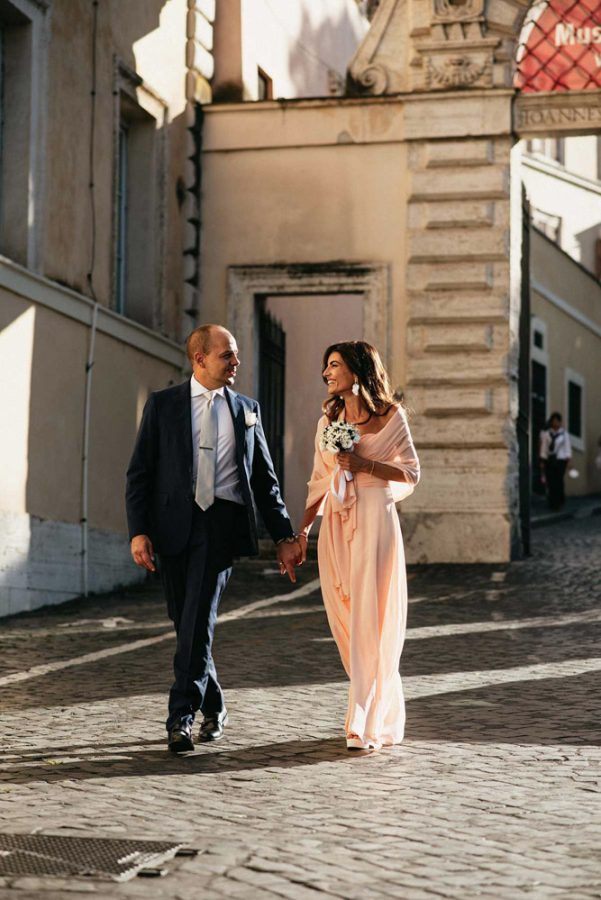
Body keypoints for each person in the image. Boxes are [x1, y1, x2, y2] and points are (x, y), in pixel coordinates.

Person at [126, 325, 302, 753]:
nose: (236, 362)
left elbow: (264, 480)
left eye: (236, 354)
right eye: (227, 355)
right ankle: (216, 705)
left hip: (219, 525)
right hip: (171, 527)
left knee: (198, 619)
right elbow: (141, 473)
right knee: (185, 622)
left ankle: (180, 719)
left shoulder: (247, 409)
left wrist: (283, 535)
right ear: (199, 359)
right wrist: (139, 531)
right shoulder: (163, 405)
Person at [296, 341, 420, 751]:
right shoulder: (327, 420)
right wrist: (302, 533)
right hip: (338, 522)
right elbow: (319, 479)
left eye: (334, 365)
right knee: (346, 614)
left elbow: (411, 473)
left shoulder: (391, 416)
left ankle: (362, 720)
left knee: (372, 614)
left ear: (357, 370)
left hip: (375, 521)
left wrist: (365, 465)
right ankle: (374, 707)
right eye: (325, 365)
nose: (326, 373)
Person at [539, 412, 572, 511]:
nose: (556, 423)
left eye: (557, 421)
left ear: (560, 422)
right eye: (554, 421)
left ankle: (559, 502)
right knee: (551, 481)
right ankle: (552, 502)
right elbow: (544, 447)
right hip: (550, 459)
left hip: (561, 460)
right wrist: (542, 460)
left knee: (558, 481)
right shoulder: (546, 434)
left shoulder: (564, 434)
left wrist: (568, 459)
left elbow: (567, 447)